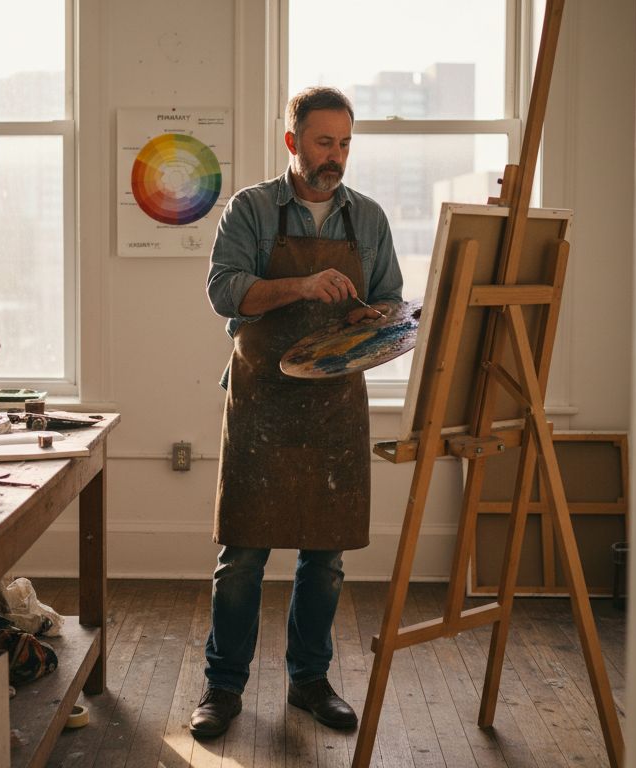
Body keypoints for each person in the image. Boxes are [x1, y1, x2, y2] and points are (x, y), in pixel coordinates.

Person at [192, 86, 403, 738]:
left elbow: (393, 302)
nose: (336, 156)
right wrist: (302, 286)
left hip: (334, 409)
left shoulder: (366, 218)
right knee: (243, 557)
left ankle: (310, 682)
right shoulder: (251, 210)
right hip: (261, 403)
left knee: (326, 559)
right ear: (292, 142)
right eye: (323, 142)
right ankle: (223, 688)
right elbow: (224, 291)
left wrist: (374, 318)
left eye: (344, 143)